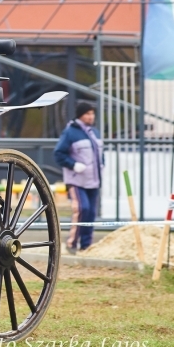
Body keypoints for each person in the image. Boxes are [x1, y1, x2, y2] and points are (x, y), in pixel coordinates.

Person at [54, 101, 103, 255]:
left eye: (92, 113)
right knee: (82, 209)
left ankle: (86, 246)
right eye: (87, 113)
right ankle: (72, 243)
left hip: (93, 181)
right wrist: (73, 164)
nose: (91, 116)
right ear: (81, 115)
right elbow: (59, 153)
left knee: (91, 213)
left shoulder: (95, 132)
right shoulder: (70, 132)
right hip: (76, 181)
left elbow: (100, 154)